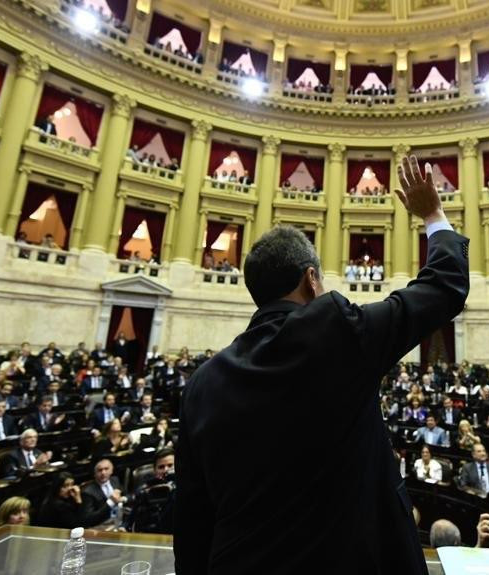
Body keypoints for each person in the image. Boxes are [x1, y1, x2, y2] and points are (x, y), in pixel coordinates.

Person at [174, 156, 469, 575]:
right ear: (311, 279)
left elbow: (191, 514)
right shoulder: (337, 331)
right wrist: (434, 215)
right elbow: (443, 288)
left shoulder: (203, 383)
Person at [36, 472, 110, 529]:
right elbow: (79, 525)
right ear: (57, 487)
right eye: (65, 486)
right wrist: (79, 501)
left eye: (72, 484)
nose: (70, 488)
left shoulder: (64, 500)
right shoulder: (58, 505)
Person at [82, 458, 127, 523]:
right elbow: (88, 518)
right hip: (102, 523)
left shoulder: (115, 480)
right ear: (94, 473)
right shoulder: (88, 492)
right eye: (99, 470)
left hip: (119, 517)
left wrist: (123, 499)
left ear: (111, 470)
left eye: (106, 469)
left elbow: (127, 494)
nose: (103, 472)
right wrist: (110, 502)